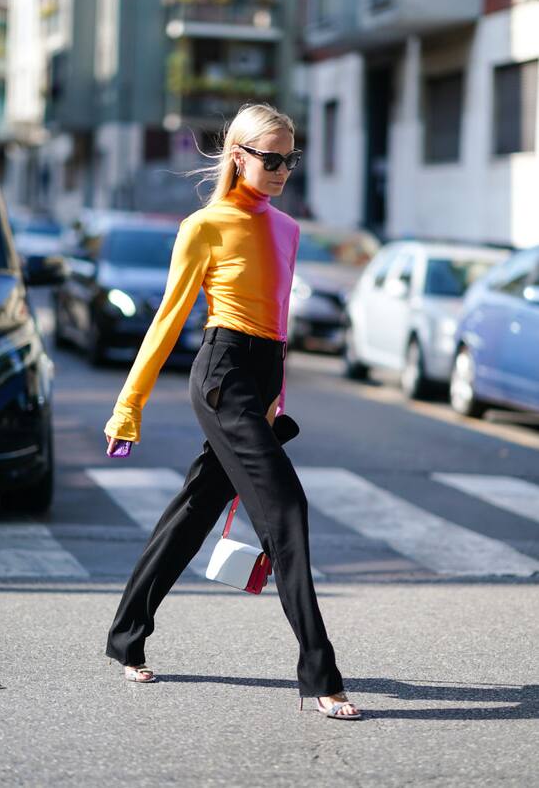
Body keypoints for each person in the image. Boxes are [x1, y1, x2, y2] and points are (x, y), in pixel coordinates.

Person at [103, 103, 361, 720]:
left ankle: (124, 636)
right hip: (220, 376)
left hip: (260, 376)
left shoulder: (288, 229)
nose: (280, 170)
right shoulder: (205, 225)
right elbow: (167, 322)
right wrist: (127, 407)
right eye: (269, 158)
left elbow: (281, 322)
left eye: (288, 159)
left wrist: (278, 401)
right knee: (287, 508)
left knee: (194, 511)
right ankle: (319, 672)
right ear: (237, 156)